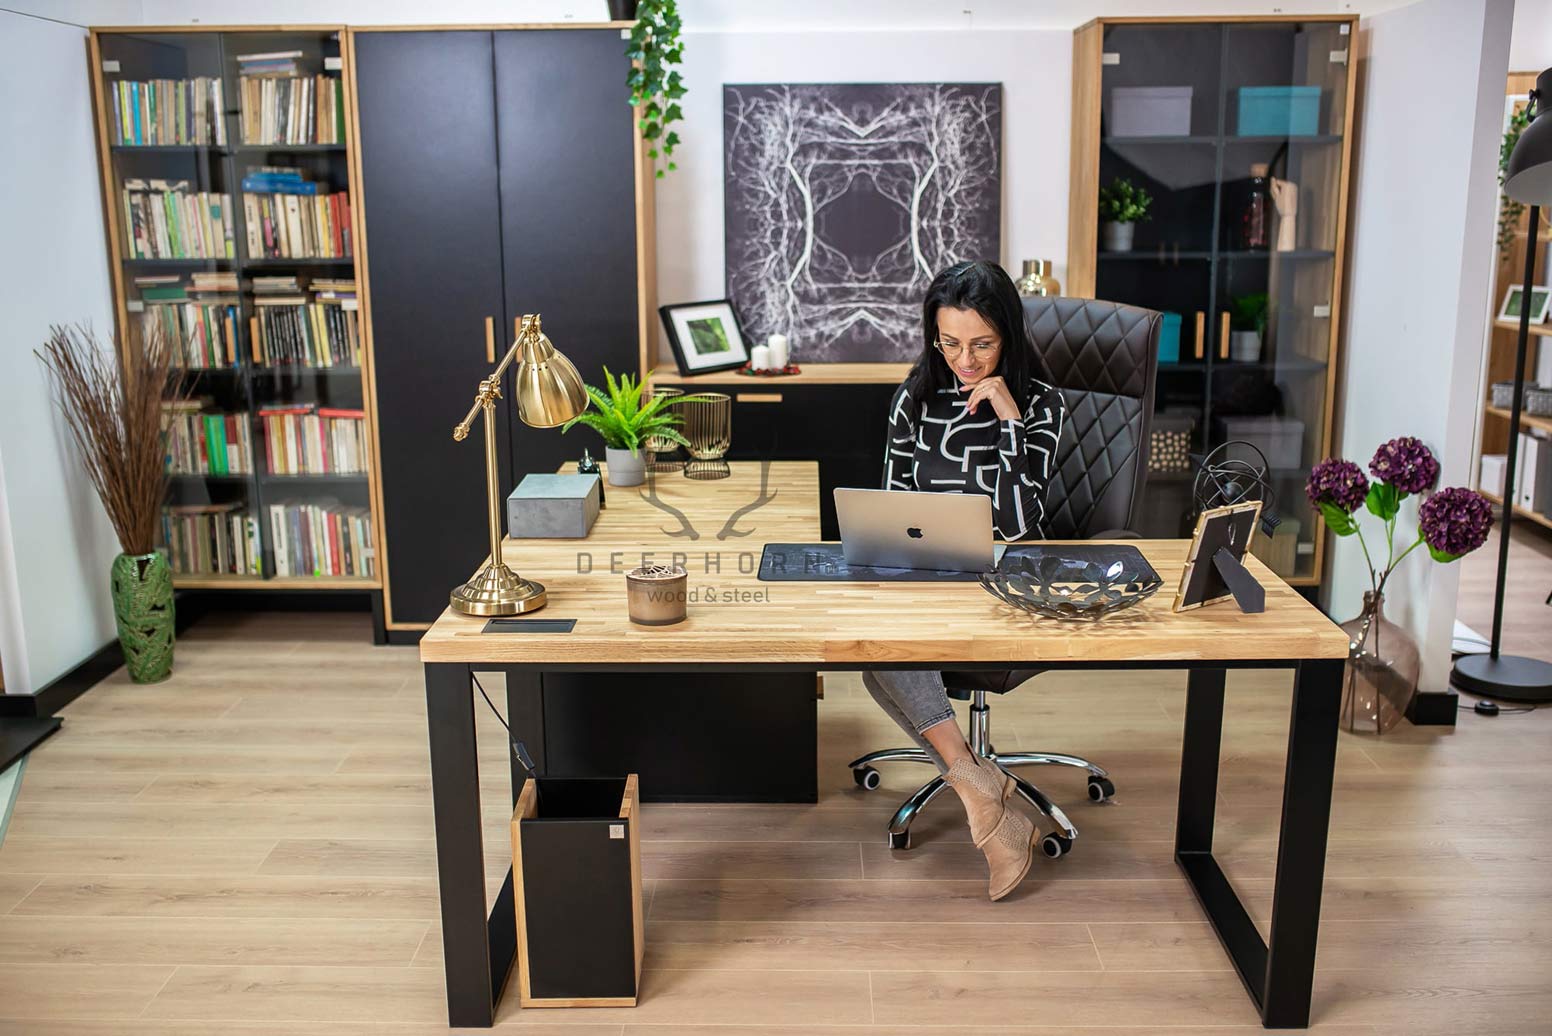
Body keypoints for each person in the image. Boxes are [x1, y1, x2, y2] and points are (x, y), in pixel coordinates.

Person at [864, 259, 1066, 901]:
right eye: (949, 343)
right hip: (930, 577)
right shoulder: (914, 399)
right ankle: (980, 790)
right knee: (872, 648)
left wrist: (1008, 422)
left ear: (1008, 335)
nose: (964, 360)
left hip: (1010, 579)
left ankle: (979, 789)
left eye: (982, 344)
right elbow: (893, 507)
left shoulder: (1042, 404)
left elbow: (1020, 525)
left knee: (884, 660)